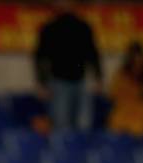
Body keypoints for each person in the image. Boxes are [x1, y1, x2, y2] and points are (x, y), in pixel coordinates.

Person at [34, 0, 102, 132]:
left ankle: (82, 152)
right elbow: (41, 57)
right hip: (58, 82)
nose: (65, 5)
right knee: (61, 124)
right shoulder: (49, 28)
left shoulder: (83, 27)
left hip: (81, 81)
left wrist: (98, 77)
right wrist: (42, 82)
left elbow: (93, 54)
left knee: (83, 124)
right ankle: (63, 151)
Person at [108, 41, 143, 137]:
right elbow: (113, 94)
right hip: (124, 110)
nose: (138, 62)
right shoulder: (121, 74)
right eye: (135, 59)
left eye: (140, 58)